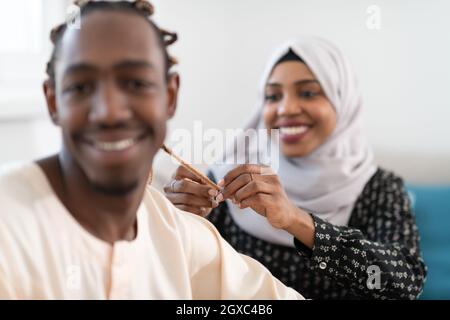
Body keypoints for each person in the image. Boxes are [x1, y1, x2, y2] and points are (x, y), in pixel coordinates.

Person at [0, 0, 304, 300]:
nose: (109, 112)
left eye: (135, 83)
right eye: (81, 87)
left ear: (170, 96)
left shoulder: (174, 231)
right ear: (53, 102)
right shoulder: (10, 226)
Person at [164, 37, 427, 299]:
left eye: (308, 92)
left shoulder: (379, 187)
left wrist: (296, 220)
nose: (286, 108)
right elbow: (180, 279)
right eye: (273, 96)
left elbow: (405, 285)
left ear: (342, 101)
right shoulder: (227, 176)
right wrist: (180, 223)